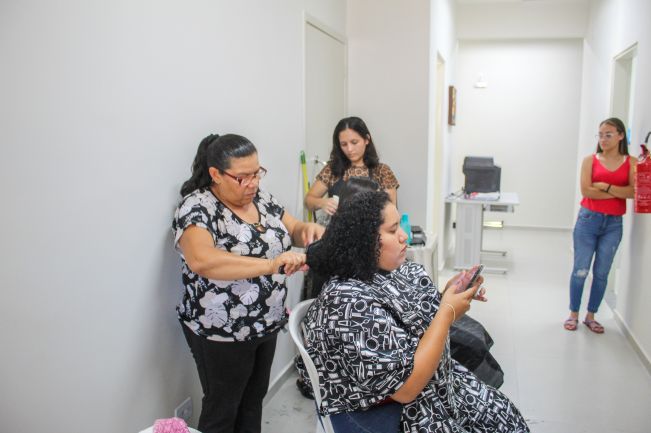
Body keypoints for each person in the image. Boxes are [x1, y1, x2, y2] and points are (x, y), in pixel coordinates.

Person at [301, 190, 530, 433]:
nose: (404, 236)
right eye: (393, 230)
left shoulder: (396, 271)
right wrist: (447, 313)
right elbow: (406, 390)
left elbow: (414, 321)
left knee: (504, 417)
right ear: (363, 239)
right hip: (396, 407)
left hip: (432, 386)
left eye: (400, 225)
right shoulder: (347, 303)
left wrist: (449, 297)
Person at [172, 133, 324, 433]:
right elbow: (202, 260)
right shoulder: (197, 207)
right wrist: (270, 265)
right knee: (222, 408)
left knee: (253, 401)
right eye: (243, 177)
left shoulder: (261, 199)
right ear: (216, 174)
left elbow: (292, 227)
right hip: (222, 331)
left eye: (257, 173)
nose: (253, 183)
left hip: (265, 321)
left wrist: (306, 229)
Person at [564, 118, 637, 333]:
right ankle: (573, 314)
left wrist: (605, 186)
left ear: (621, 136)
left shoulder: (632, 162)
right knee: (580, 270)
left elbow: (632, 192)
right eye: (601, 135)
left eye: (609, 134)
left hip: (613, 224)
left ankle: (591, 315)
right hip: (588, 221)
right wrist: (617, 191)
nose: (603, 139)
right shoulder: (590, 161)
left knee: (602, 273)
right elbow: (587, 191)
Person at [304, 116, 399, 221]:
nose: (349, 149)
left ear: (366, 139)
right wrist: (322, 203)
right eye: (344, 144)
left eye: (354, 142)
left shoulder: (382, 171)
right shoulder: (331, 170)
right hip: (338, 230)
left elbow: (392, 214)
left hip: (374, 230)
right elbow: (308, 200)